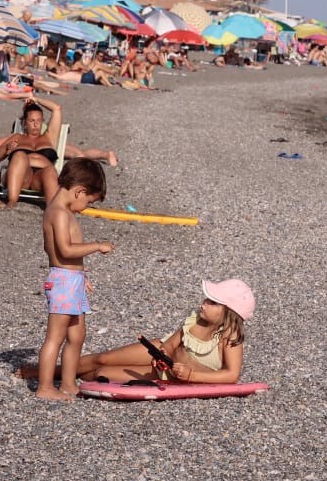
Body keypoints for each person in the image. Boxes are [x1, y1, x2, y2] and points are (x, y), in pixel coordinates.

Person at [67, 279, 253, 384]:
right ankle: (54, 372)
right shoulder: (197, 318)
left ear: (229, 312)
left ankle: (68, 378)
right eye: (207, 298)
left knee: (103, 371)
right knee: (103, 358)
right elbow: (172, 342)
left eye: (212, 302)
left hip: (172, 373)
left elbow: (232, 375)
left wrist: (192, 376)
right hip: (163, 352)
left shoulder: (229, 337)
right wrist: (164, 352)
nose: (204, 303)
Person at [35, 159, 112, 399]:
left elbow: (70, 258)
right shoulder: (58, 213)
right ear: (79, 191)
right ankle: (45, 387)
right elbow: (66, 251)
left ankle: (68, 383)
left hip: (73, 279)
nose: (86, 207)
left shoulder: (65, 212)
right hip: (63, 281)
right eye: (88, 202)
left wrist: (82, 275)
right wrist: (97, 245)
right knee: (55, 337)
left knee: (77, 335)